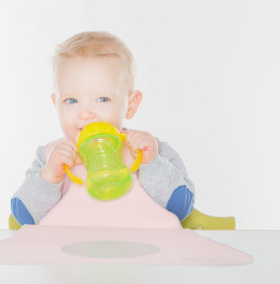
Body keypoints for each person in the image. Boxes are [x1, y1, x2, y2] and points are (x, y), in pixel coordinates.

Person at [11, 31, 195, 225]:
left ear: (131, 104)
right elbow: (24, 216)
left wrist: (151, 163)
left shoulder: (152, 150)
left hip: (140, 250)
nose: (86, 113)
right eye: (71, 100)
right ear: (56, 104)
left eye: (102, 99)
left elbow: (180, 208)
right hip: (69, 252)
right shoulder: (49, 157)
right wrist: (50, 176)